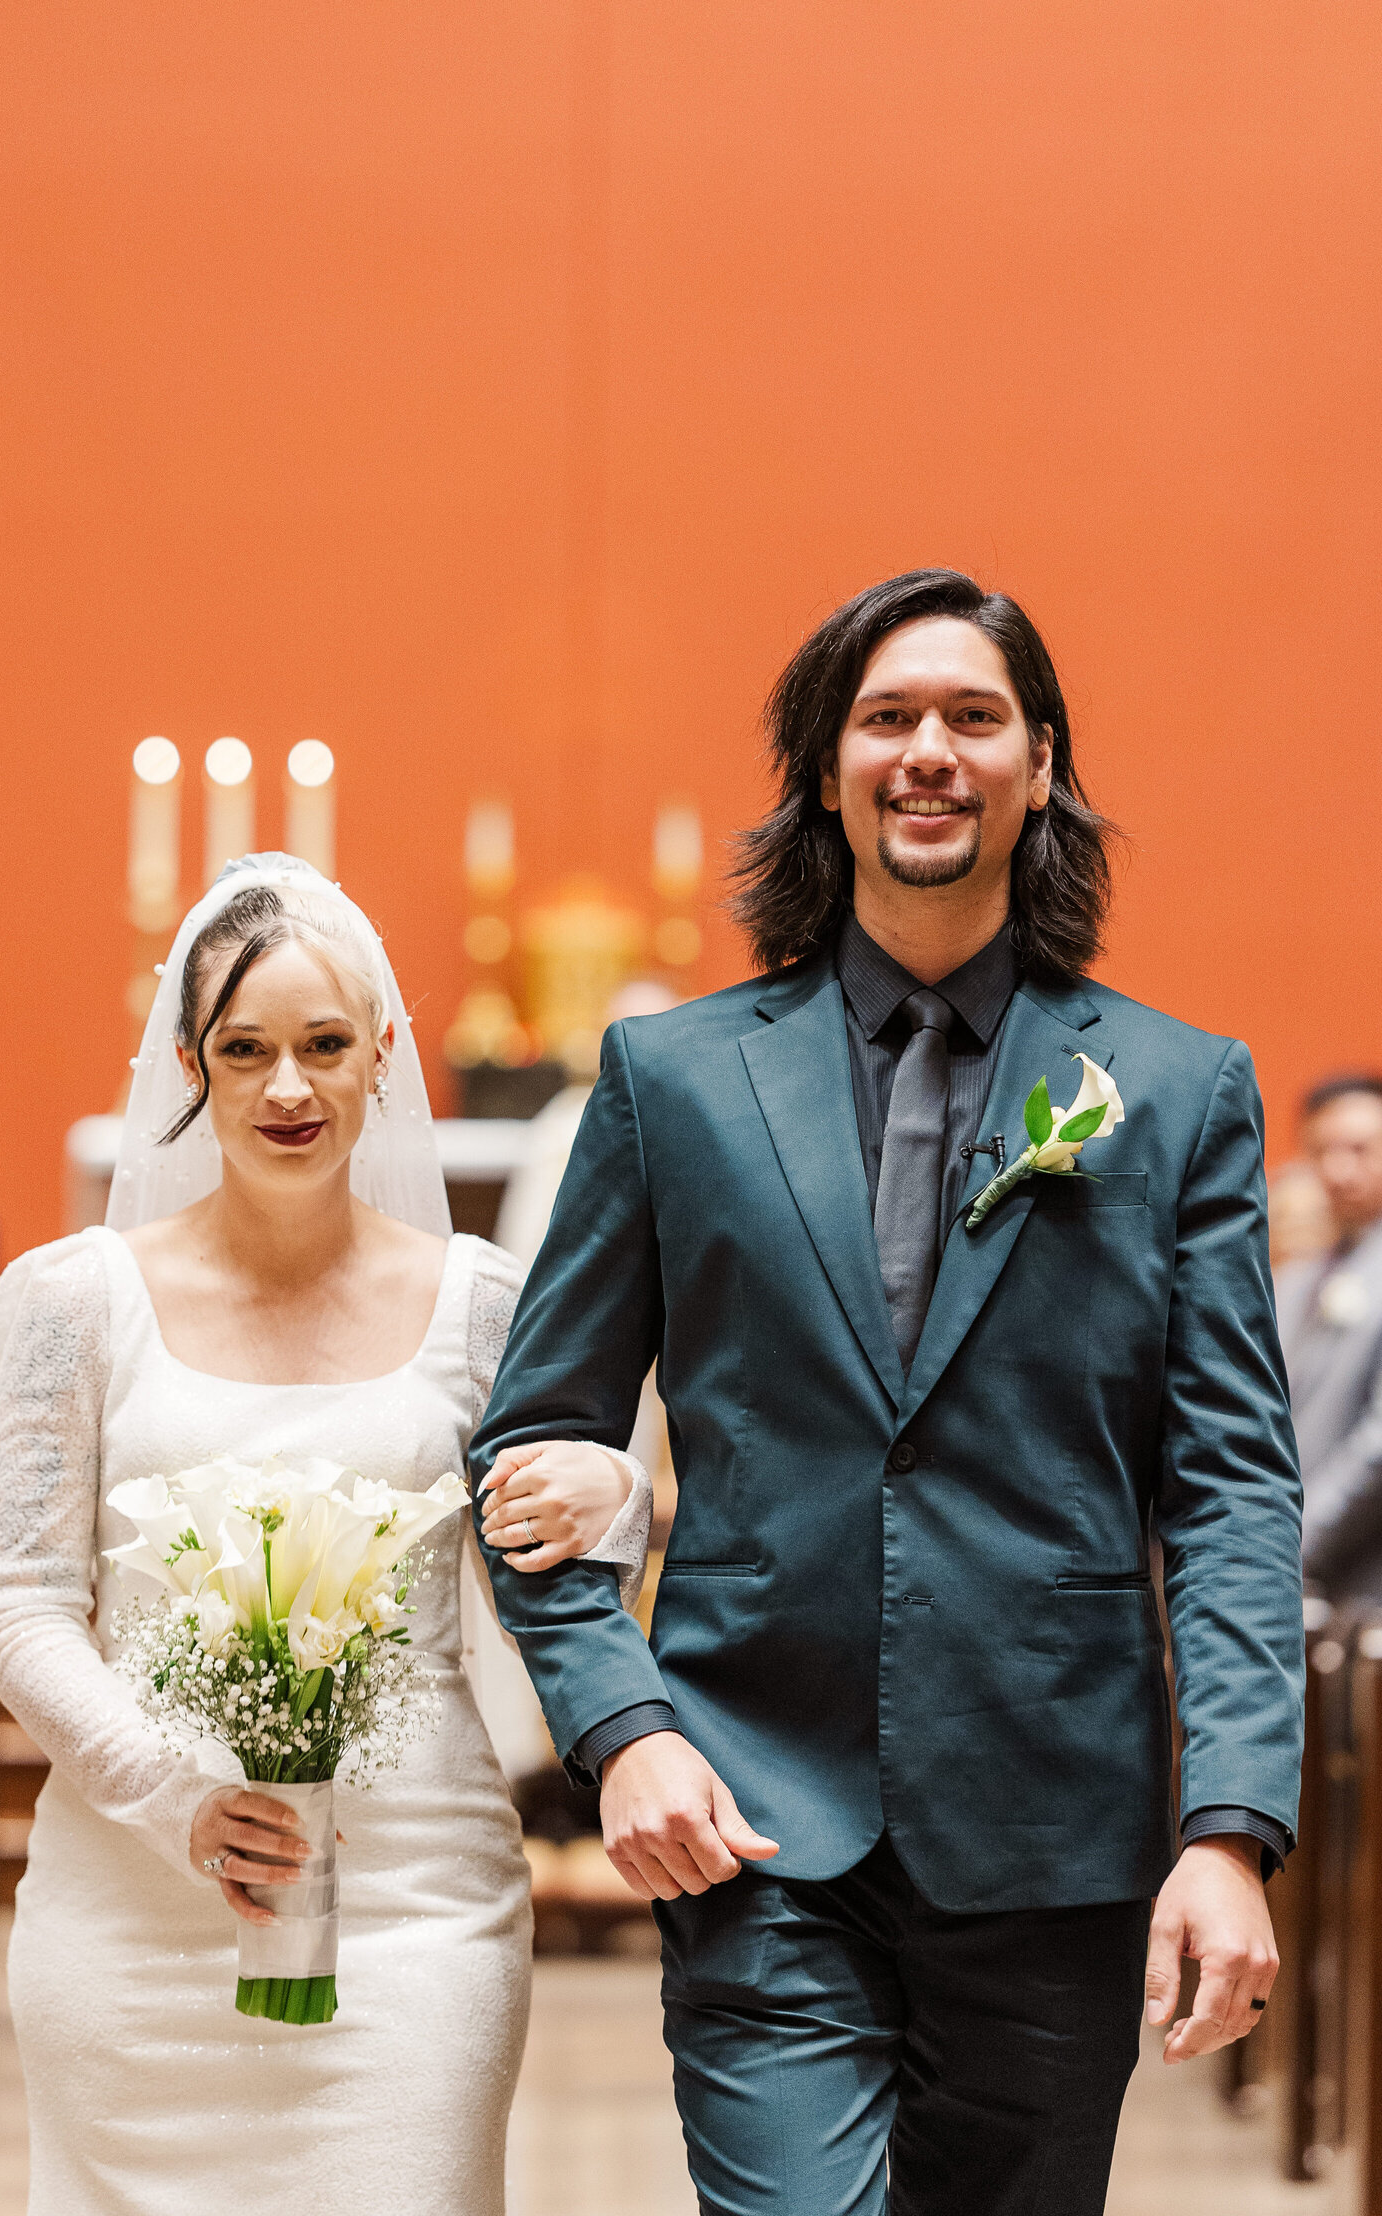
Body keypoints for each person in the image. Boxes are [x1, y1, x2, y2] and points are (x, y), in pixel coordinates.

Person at [473, 569, 1303, 2216]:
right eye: (889, 718)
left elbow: (1229, 1490)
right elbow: (536, 1443)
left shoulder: (1175, 1092)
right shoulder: (673, 1081)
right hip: (754, 1816)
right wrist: (622, 1732)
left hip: (1056, 1826)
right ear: (827, 771)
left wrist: (1229, 1828)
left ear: (1041, 764)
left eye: (973, 717)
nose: (930, 751)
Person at [0, 854, 650, 2216]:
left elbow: (560, 1553)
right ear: (188, 1064)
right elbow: (19, 1601)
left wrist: (617, 1498)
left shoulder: (480, 1304)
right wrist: (172, 1794)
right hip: (132, 1919)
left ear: (382, 1052)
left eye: (324, 1046)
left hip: (413, 1910)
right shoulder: (74, 1303)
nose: (288, 1087)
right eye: (247, 1049)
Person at [1279, 1075, 1382, 1599]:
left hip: (1363, 1580)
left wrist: (1290, 1545)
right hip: (1299, 1585)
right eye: (1323, 1150)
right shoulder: (1295, 1281)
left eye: (1361, 1149)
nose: (1339, 1170)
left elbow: (1378, 1443)